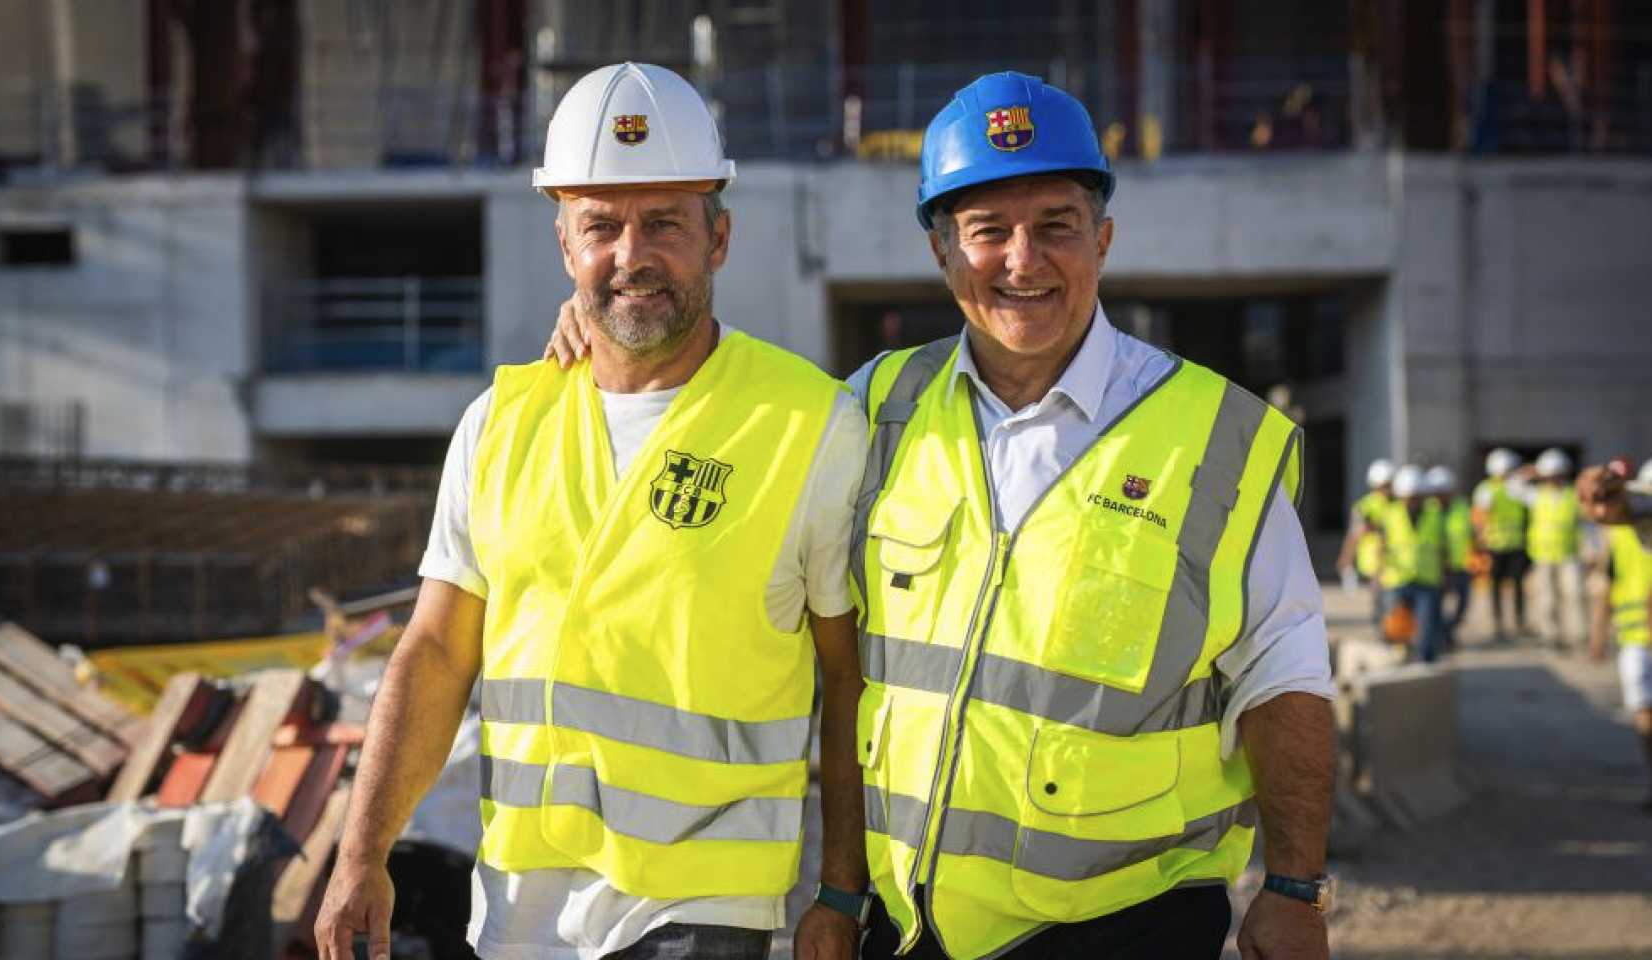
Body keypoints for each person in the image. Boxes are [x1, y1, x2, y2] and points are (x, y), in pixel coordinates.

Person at [547, 71, 1338, 960]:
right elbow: (727, 430)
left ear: (1104, 239)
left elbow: (1287, 674)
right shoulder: (875, 408)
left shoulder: (1215, 440)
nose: (1022, 261)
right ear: (943, 254)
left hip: (1127, 923)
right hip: (910, 928)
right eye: (987, 231)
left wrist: (1294, 887)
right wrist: (601, 329)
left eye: (1055, 227)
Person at [314, 63, 870, 960]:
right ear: (564, 244)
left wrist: (840, 891)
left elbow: (849, 682)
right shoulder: (501, 421)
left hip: (703, 905)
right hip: (516, 911)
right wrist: (360, 852)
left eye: (664, 224)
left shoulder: (811, 426)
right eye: (601, 226)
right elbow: (435, 648)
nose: (630, 255)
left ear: (719, 237)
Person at [1589, 458, 1652, 811]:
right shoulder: (1620, 534)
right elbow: (1608, 585)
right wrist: (1598, 634)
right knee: (1644, 712)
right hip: (1634, 637)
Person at [1381, 465, 1447, 663]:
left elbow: (1442, 548)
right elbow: (1381, 545)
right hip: (1397, 579)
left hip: (1427, 581)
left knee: (1426, 629)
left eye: (1417, 497)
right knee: (1396, 629)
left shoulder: (1435, 515)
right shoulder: (1391, 514)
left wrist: (1445, 575)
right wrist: (1379, 571)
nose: (1413, 501)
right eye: (1409, 497)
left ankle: (1428, 665)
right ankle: (1397, 664)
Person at [1527, 447, 1586, 650]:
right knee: (1546, 597)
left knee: (1574, 594)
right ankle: (1551, 634)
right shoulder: (1535, 495)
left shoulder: (1574, 496)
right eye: (1549, 475)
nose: (1553, 480)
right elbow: (1511, 486)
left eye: (1556, 475)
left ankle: (1577, 635)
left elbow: (1586, 524)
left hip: (1569, 553)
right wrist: (1531, 471)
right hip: (1543, 554)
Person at [1474, 447, 1530, 642]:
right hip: (1495, 546)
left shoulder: (1518, 487)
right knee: (1496, 585)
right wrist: (1481, 544)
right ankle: (1498, 624)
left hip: (1516, 544)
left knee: (1517, 583)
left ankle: (1519, 621)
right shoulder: (1486, 489)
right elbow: (1480, 518)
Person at [1337, 458, 1396, 616]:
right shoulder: (1364, 506)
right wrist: (1346, 559)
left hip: (1396, 559)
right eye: (1385, 485)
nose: (1388, 489)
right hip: (1374, 560)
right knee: (1382, 600)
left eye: (1390, 484)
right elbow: (1354, 534)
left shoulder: (1399, 504)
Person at [1425, 465, 1476, 642]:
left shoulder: (1462, 506)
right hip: (1435, 568)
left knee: (1462, 604)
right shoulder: (1427, 510)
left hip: (1459, 565)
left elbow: (1471, 532)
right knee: (1435, 606)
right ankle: (1442, 637)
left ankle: (1449, 630)